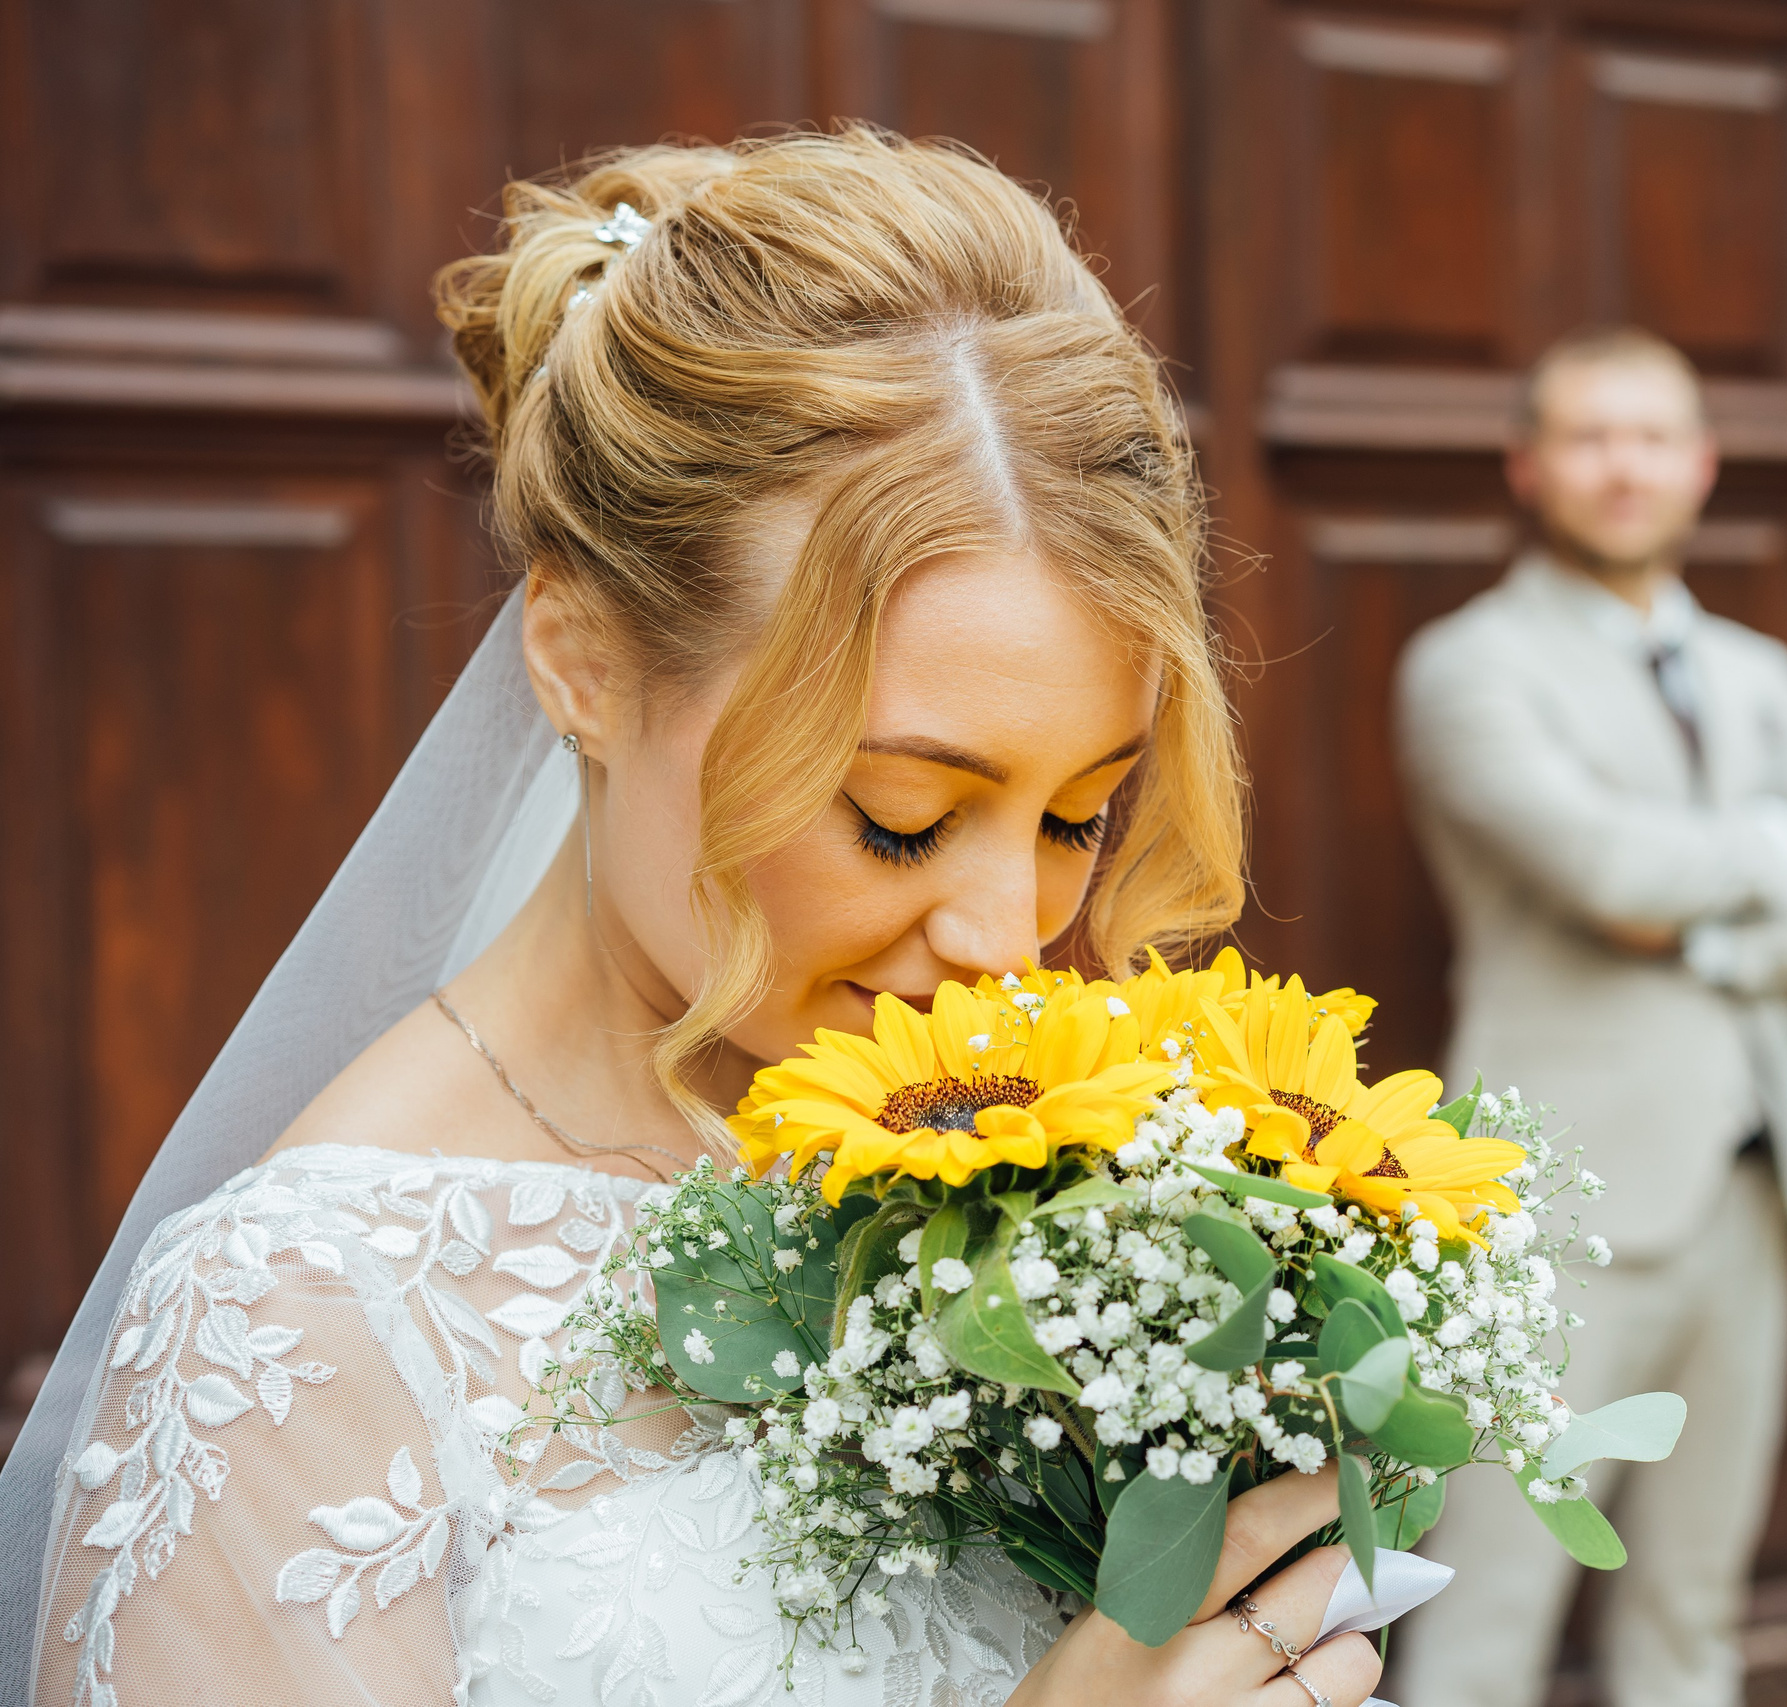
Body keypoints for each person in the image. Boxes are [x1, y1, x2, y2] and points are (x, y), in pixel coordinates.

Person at [5, 129, 1383, 1707]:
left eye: (1081, 813)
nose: (1012, 941)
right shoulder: (302, 1320)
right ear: (585, 664)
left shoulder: (1062, 1167)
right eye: (904, 818)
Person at [1387, 327, 1787, 1707]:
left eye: (1651, 436)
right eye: (1589, 436)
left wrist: (1724, 943)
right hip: (1561, 1202)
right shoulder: (1469, 669)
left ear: (1701, 464)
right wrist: (1776, 846)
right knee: (1488, 1612)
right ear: (1529, 465)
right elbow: (1610, 876)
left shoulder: (1755, 671)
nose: (1623, 467)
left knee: (1695, 1609)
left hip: (1754, 1185)